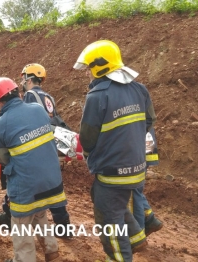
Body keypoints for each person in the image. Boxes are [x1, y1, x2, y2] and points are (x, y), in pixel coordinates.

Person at [74, 40, 157, 261]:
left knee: (108, 221)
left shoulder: (97, 96)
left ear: (100, 67)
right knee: (107, 200)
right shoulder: (140, 89)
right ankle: (137, 238)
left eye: (89, 68)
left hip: (113, 173)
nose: (88, 74)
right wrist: (126, 138)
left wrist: (100, 149)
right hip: (138, 169)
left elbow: (88, 139)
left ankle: (119, 256)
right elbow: (149, 121)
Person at [0, 63, 73, 239]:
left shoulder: (30, 96)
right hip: (49, 144)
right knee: (52, 188)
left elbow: (22, 122)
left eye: (23, 78)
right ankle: (64, 227)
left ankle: (9, 215)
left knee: (16, 174)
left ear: (28, 79)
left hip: (31, 147)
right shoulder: (47, 97)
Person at [131, 128, 163, 236]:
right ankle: (149, 219)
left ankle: (138, 233)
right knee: (136, 189)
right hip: (146, 143)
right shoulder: (144, 110)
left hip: (138, 147)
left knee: (133, 191)